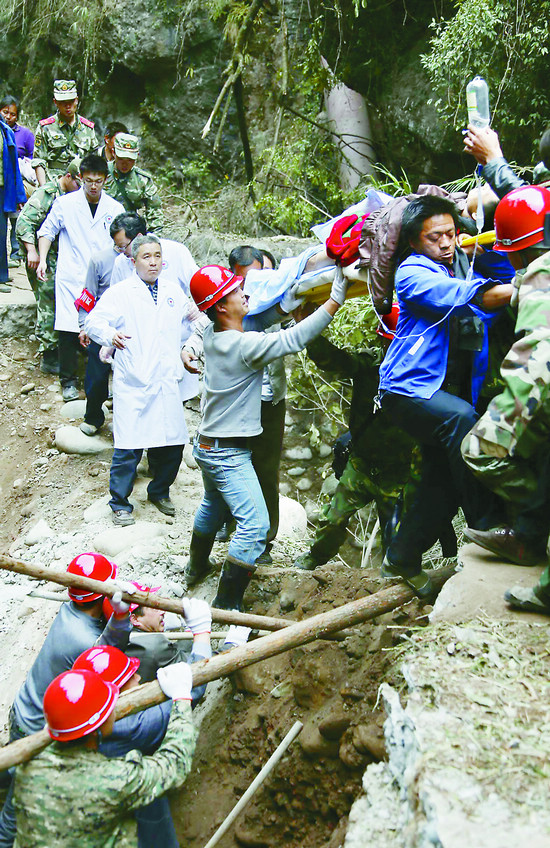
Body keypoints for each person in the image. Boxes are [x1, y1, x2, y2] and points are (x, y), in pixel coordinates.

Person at [186, 263, 348, 611]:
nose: (244, 293)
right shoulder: (245, 345)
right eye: (235, 291)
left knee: (213, 505)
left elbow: (262, 316)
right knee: (255, 526)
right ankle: (226, 603)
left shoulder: (214, 335)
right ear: (221, 307)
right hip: (227, 454)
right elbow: (294, 339)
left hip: (207, 445)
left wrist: (287, 305)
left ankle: (195, 568)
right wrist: (334, 299)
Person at [376, 195, 513, 595]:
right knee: (462, 422)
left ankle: (401, 557)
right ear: (414, 242)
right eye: (434, 237)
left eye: (451, 234)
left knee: (442, 484)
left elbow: (504, 272)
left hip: (445, 393)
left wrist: (485, 247)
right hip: (407, 389)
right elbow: (465, 297)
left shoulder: (462, 262)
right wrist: (528, 288)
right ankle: (489, 526)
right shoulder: (412, 273)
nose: (446, 243)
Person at [0, 553, 131, 847]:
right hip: (37, 730)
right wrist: (121, 618)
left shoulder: (67, 611)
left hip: (23, 709)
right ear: (100, 597)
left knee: (10, 766)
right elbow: (106, 651)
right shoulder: (83, 640)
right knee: (16, 805)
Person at [461, 185, 550, 614]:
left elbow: (540, 351)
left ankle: (535, 528)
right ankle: (531, 534)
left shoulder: (539, 273)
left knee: (479, 449)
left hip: (535, 388)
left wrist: (514, 410)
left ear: (517, 252)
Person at [13, 662, 197, 847]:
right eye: (109, 704)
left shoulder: (28, 766)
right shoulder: (113, 780)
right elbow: (174, 764)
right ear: (95, 730)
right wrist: (181, 697)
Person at [85, 235, 195, 525]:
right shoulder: (121, 293)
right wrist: (110, 335)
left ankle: (159, 492)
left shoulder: (173, 291)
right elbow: (93, 322)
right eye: (147, 257)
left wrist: (195, 334)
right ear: (133, 261)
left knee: (174, 444)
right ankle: (120, 503)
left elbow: (194, 322)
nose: (153, 262)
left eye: (158, 256)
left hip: (166, 380)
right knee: (129, 447)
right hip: (135, 380)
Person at [36, 153, 124, 400]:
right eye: (88, 181)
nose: (93, 186)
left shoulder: (115, 208)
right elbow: (47, 232)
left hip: (103, 277)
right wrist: (42, 260)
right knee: (68, 327)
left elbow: (123, 241)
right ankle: (68, 382)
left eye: (98, 181)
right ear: (80, 178)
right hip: (72, 273)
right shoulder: (65, 204)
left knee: (102, 327)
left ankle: (100, 383)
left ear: (106, 180)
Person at [16, 161, 81, 374]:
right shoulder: (47, 194)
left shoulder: (74, 196)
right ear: (69, 177)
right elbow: (23, 223)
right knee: (48, 300)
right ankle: (49, 353)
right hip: (43, 255)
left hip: (62, 255)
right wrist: (32, 251)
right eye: (78, 183)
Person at [32, 80, 98, 186]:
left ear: (76, 100)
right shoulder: (45, 127)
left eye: (71, 101)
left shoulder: (88, 128)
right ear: (55, 102)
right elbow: (39, 160)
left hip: (81, 181)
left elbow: (94, 160)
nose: (67, 106)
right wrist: (44, 187)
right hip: (54, 181)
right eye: (63, 102)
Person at [104, 132, 164, 233]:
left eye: (130, 159)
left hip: (129, 231)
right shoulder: (101, 173)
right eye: (121, 158)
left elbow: (155, 213)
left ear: (137, 156)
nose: (125, 164)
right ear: (113, 153)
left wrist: (153, 238)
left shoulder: (143, 180)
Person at [0, 96, 34, 264]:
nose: (8, 116)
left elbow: (32, 157)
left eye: (12, 114)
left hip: (16, 181)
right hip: (5, 180)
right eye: (5, 112)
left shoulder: (24, 134)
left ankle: (16, 253)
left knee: (15, 218)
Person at [0, 114, 26, 293]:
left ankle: (2, 275)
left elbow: (13, 166)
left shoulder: (5, 131)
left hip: (2, 189)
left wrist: (19, 195)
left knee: (1, 232)